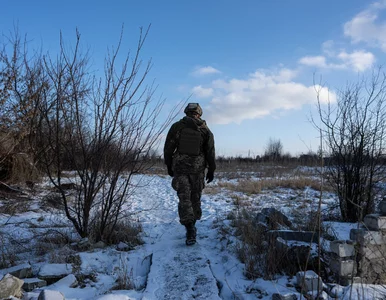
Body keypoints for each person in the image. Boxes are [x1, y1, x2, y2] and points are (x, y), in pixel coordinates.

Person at [164, 103, 216, 246]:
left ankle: (189, 227)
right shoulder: (205, 130)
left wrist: (169, 165)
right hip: (198, 170)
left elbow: (168, 147)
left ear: (186, 112)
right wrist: (211, 169)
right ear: (199, 113)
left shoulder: (177, 127)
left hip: (180, 168)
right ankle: (193, 224)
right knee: (195, 197)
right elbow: (210, 152)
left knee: (184, 198)